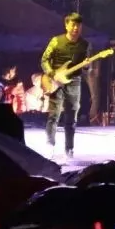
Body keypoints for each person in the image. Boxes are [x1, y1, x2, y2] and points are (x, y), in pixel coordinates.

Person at [41, 13, 91, 160]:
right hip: (56, 81)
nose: (76, 28)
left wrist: (87, 66)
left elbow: (87, 68)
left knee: (72, 117)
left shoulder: (85, 45)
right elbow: (44, 60)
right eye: (73, 25)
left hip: (74, 81)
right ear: (66, 25)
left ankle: (69, 148)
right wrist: (52, 74)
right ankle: (50, 145)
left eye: (78, 25)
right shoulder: (56, 41)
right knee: (54, 115)